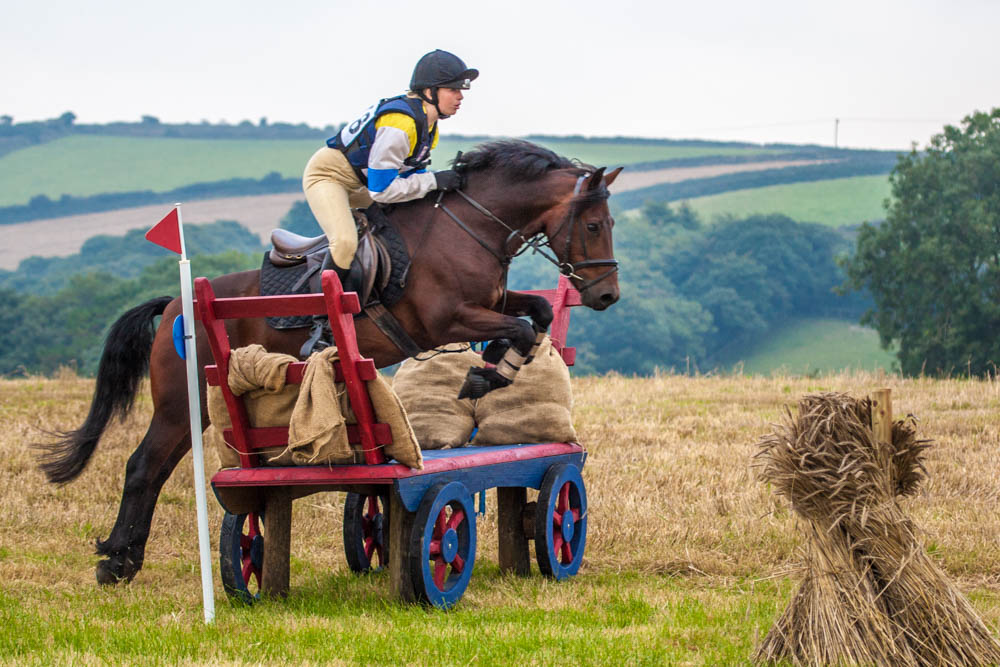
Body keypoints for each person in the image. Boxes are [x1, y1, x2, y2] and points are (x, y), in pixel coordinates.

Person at [299, 49, 477, 355]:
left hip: (361, 181)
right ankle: (321, 325)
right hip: (329, 177)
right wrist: (435, 181)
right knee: (344, 242)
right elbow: (382, 190)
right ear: (430, 91)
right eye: (453, 89)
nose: (460, 96)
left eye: (461, 90)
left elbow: (411, 181)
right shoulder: (401, 123)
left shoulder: (428, 125)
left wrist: (439, 185)